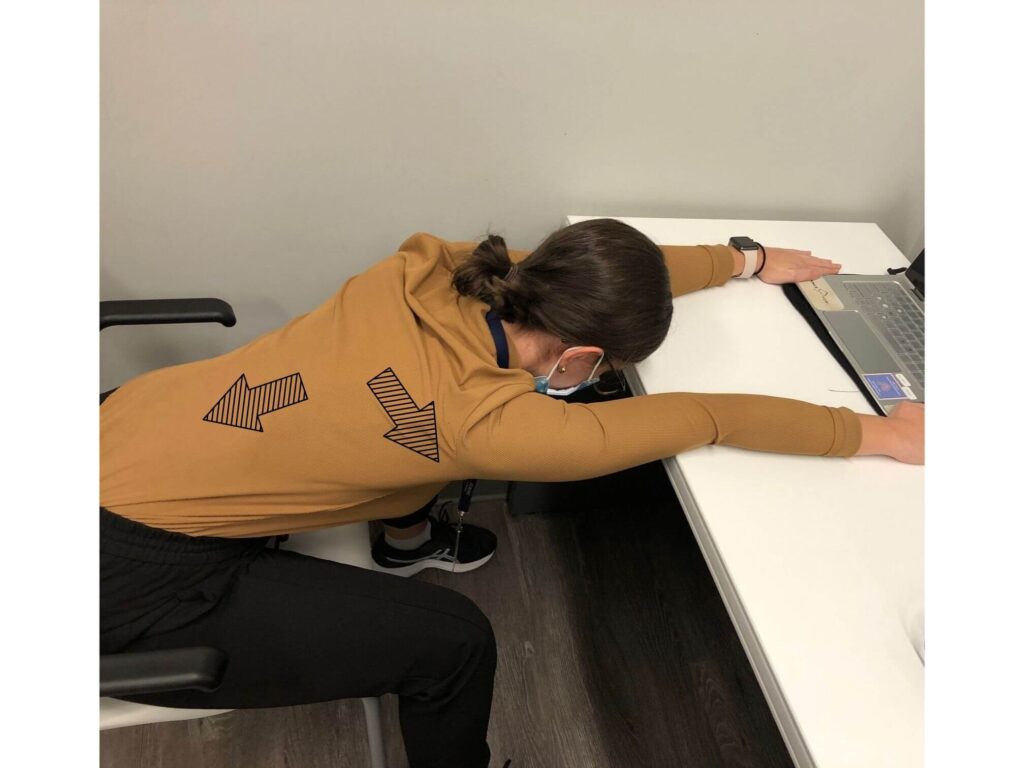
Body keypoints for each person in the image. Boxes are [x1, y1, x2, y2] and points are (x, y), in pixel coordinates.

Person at [100, 218, 924, 768]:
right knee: (453, 641)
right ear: (583, 358)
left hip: (115, 432)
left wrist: (742, 261)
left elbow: (576, 272)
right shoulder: (492, 428)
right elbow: (705, 415)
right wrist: (880, 434)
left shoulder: (428, 269)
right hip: (123, 574)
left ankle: (409, 541)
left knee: (394, 435)